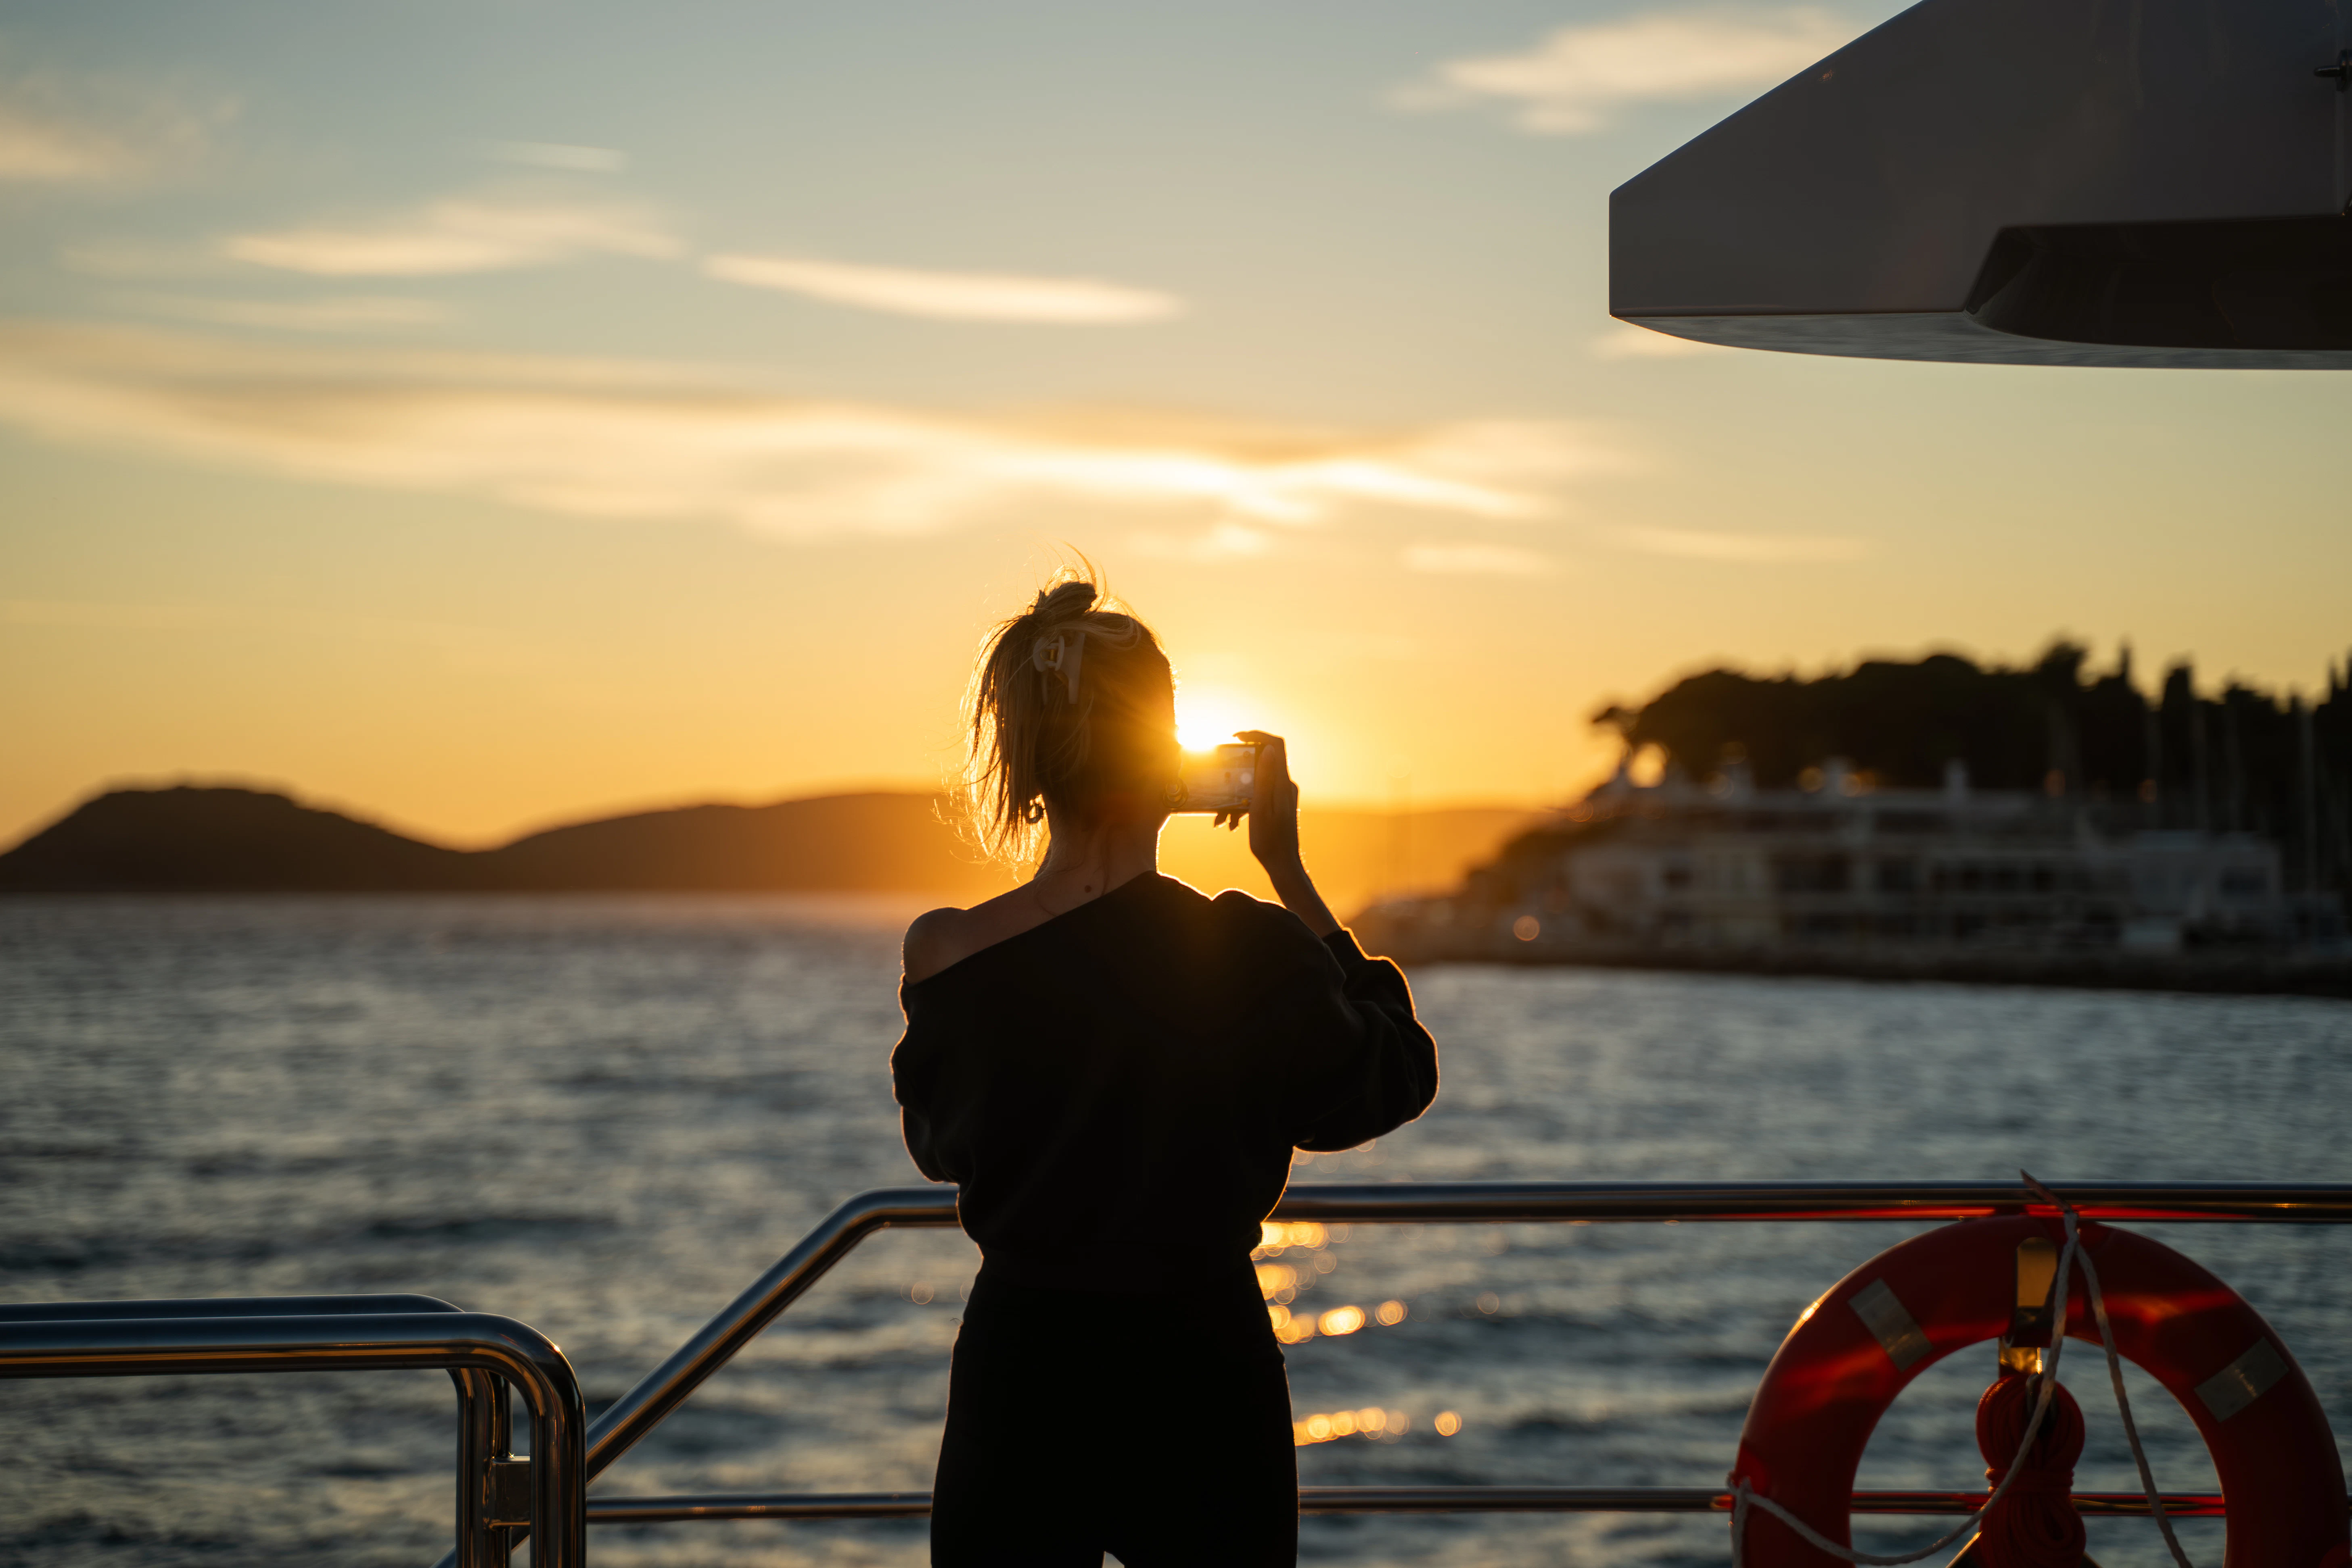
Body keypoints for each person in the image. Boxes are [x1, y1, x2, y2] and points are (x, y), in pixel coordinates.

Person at [891, 572, 1439, 1567]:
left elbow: (942, 1147)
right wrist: (1291, 871)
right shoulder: (1248, 947)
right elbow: (1390, 1076)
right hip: (1199, 1364)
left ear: (1025, 759)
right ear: (1166, 753)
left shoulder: (947, 955)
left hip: (1025, 1364)